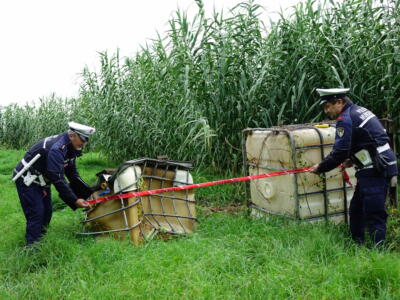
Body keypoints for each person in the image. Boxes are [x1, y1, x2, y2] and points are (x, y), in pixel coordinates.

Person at [309, 88, 398, 247]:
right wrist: (352, 158)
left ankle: (379, 251)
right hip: (376, 164)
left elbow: (340, 151)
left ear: (339, 102)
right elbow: (367, 139)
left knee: (374, 212)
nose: (327, 111)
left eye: (328, 106)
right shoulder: (358, 110)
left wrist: (321, 167)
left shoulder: (345, 118)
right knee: (357, 209)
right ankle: (357, 245)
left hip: (376, 168)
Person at [13, 122, 95, 246]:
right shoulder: (57, 148)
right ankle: (32, 249)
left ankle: (40, 241)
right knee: (37, 214)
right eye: (83, 139)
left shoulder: (70, 147)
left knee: (47, 212)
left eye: (86, 140)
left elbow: (72, 173)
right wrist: (74, 200)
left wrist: (87, 193)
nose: (84, 143)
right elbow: (58, 179)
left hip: (43, 180)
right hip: (27, 179)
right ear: (72, 135)